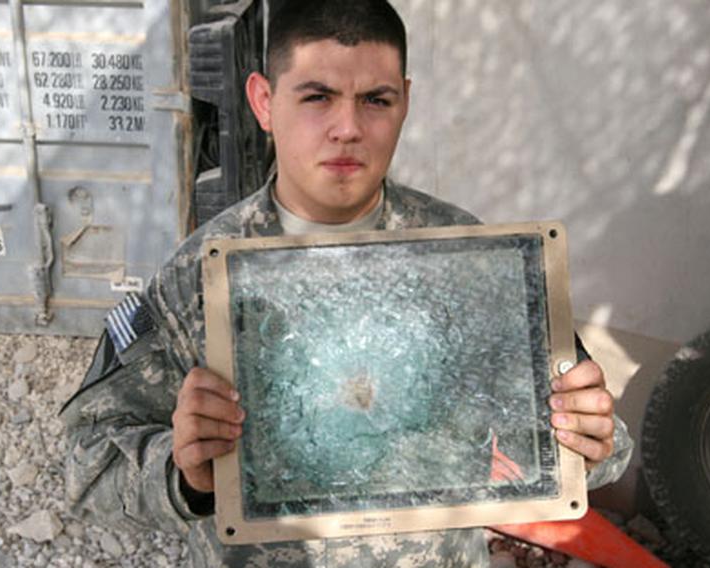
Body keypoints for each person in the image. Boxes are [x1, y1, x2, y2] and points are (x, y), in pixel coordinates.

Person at [61, 1, 633, 566]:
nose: (348, 129)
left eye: (375, 101)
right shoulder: (193, 281)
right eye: (317, 97)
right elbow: (88, 467)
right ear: (263, 101)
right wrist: (184, 474)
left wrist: (590, 439)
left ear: (404, 102)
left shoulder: (475, 262)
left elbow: (588, 452)